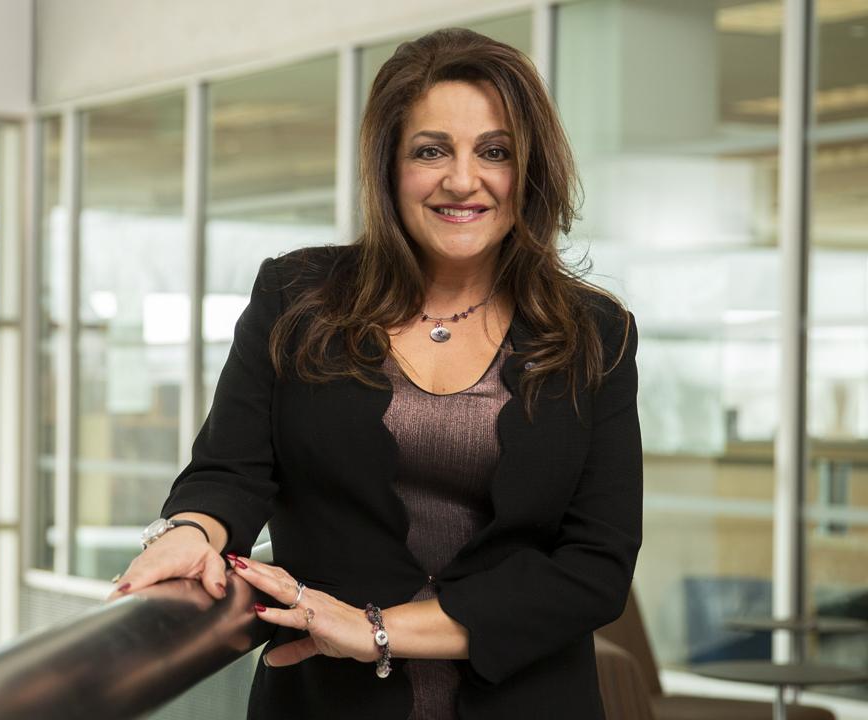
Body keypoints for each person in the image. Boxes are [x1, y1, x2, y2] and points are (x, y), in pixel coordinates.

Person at [108, 27, 641, 720]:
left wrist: (374, 630)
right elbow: (230, 471)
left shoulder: (596, 334)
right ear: (389, 166)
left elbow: (595, 566)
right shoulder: (295, 296)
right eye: (430, 150)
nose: (462, 179)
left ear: (530, 170)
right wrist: (191, 533)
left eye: (495, 151)